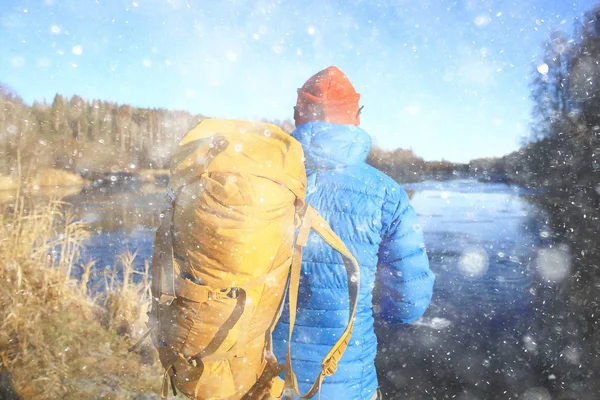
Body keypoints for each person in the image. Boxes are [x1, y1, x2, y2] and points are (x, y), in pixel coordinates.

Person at [272, 66, 435, 400]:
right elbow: (409, 303)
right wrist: (376, 310)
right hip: (344, 383)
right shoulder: (385, 193)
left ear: (296, 116)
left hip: (262, 378)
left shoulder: (265, 182)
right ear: (356, 118)